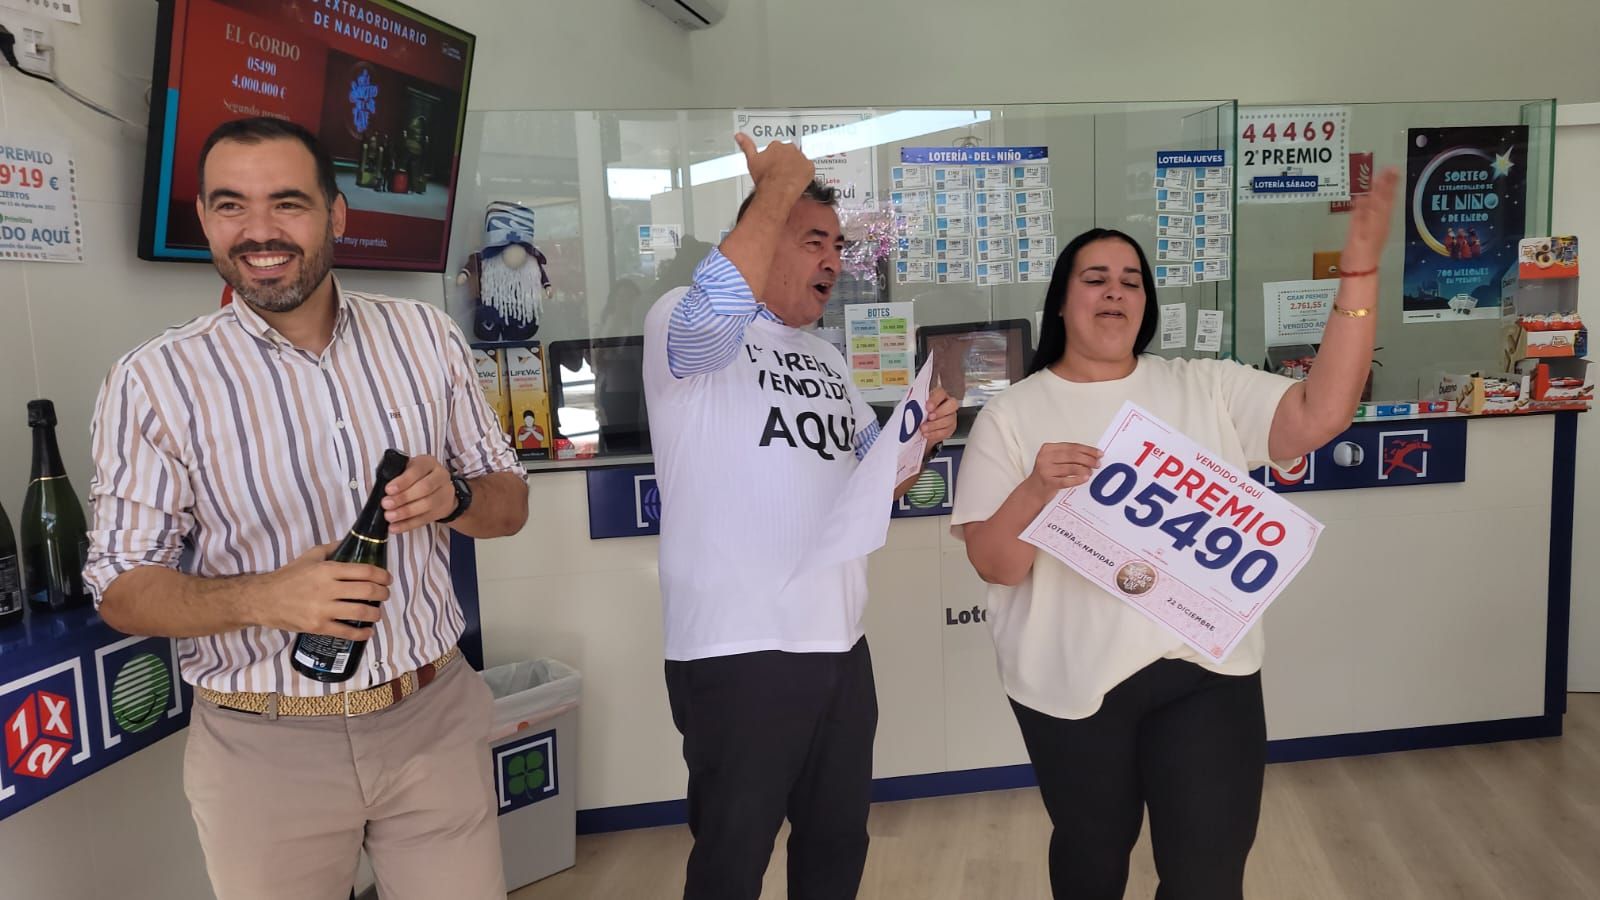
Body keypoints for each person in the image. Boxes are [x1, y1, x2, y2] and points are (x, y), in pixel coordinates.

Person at [85, 117, 529, 900]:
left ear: (336, 215)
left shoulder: (424, 337)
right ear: (203, 218)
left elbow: (509, 504)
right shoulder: (153, 381)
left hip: (432, 717)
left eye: (287, 203)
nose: (260, 232)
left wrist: (455, 497)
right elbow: (121, 589)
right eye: (231, 206)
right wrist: (266, 596)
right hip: (264, 747)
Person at [953, 171, 1399, 900]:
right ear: (1062, 302)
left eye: (1131, 280)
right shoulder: (1014, 414)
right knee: (1092, 866)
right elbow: (997, 567)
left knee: (1207, 875)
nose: (1115, 291)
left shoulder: (1206, 385)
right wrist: (1036, 491)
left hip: (1205, 671)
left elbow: (1323, 413)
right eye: (1095, 278)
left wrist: (1360, 270)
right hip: (1072, 684)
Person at [642, 134, 958, 900]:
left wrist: (914, 443)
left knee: (836, 846)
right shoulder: (682, 321)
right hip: (737, 648)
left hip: (839, 644)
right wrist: (778, 184)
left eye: (838, 246)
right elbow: (715, 316)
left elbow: (867, 476)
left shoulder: (826, 357)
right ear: (760, 237)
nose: (832, 262)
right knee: (731, 859)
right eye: (813, 240)